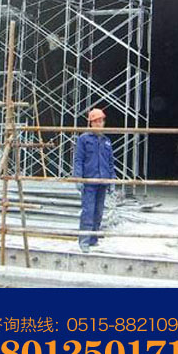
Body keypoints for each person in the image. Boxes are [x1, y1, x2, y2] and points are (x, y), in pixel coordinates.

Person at [73, 108, 116, 253]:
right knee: (88, 211)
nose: (99, 124)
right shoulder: (83, 139)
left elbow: (110, 163)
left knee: (98, 212)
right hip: (89, 182)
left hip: (102, 181)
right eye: (96, 121)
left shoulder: (106, 141)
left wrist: (112, 181)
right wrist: (78, 178)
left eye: (101, 121)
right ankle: (84, 241)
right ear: (91, 123)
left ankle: (93, 239)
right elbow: (78, 160)